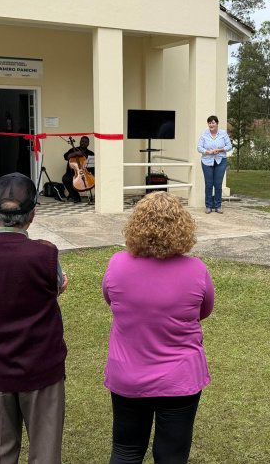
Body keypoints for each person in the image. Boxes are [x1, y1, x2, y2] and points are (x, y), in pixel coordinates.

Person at [0, 173, 69, 464]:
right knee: (45, 454)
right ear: (32, 215)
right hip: (42, 367)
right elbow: (53, 285)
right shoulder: (45, 254)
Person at [102, 191, 214, 464]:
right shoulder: (196, 270)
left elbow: (110, 300)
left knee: (126, 450)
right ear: (182, 226)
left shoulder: (117, 264)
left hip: (128, 375)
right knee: (171, 456)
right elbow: (204, 311)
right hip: (180, 379)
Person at [197, 115, 233, 214]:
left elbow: (229, 146)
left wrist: (220, 150)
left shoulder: (223, 134)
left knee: (218, 184)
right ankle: (208, 206)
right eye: (209, 123)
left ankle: (218, 206)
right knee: (209, 184)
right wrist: (208, 152)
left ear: (217, 123)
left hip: (220, 160)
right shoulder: (204, 134)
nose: (211, 125)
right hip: (207, 161)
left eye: (213, 123)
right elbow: (199, 148)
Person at [62, 135, 95, 203]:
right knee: (65, 179)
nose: (83, 143)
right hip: (73, 173)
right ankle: (75, 197)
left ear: (88, 144)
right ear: (80, 142)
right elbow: (66, 157)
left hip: (87, 173)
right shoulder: (73, 150)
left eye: (86, 142)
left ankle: (97, 197)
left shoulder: (91, 153)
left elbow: (93, 166)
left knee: (97, 178)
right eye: (82, 141)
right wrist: (76, 153)